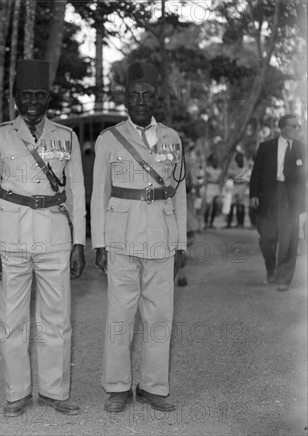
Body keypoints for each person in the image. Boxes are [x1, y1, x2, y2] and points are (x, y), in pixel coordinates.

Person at [0, 60, 86, 417]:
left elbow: (77, 194)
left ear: (48, 98)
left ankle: (55, 391)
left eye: (39, 95)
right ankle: (17, 393)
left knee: (57, 318)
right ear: (15, 98)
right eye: (26, 95)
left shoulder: (66, 136)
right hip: (10, 234)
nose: (32, 102)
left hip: (55, 233)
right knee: (12, 319)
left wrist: (79, 242)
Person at [90, 62, 186, 413]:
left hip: (162, 235)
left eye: (148, 95)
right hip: (121, 237)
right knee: (120, 315)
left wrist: (181, 244)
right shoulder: (109, 139)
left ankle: (153, 386)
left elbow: (179, 194)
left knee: (160, 316)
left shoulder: (172, 139)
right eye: (135, 95)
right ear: (125, 99)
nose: (141, 101)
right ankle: (117, 386)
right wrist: (98, 243)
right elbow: (99, 194)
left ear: (155, 98)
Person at [249, 114, 306, 291]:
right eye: (294, 126)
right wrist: (254, 194)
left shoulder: (302, 148)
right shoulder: (266, 147)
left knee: (289, 239)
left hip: (292, 198)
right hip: (269, 196)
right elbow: (256, 172)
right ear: (282, 127)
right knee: (267, 238)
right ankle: (271, 268)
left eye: (299, 126)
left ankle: (284, 278)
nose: (298, 129)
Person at [226, 151, 250, 228]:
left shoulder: (245, 164)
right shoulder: (234, 164)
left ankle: (241, 223)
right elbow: (229, 173)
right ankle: (229, 223)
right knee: (233, 203)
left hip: (242, 185)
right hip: (235, 184)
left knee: (241, 203)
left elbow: (246, 174)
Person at [203, 153, 222, 229]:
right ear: (211, 161)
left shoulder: (220, 170)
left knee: (215, 206)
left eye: (216, 160)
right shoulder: (208, 169)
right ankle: (205, 223)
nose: (215, 161)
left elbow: (220, 180)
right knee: (207, 206)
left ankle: (211, 223)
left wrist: (220, 190)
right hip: (209, 187)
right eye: (214, 160)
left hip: (216, 187)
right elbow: (205, 180)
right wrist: (205, 189)